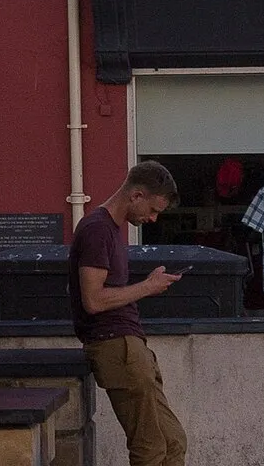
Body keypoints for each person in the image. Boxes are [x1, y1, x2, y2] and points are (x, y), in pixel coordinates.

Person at [69, 160, 188, 466]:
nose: (152, 218)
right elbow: (93, 300)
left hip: (128, 346)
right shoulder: (97, 229)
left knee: (172, 442)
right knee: (150, 448)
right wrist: (148, 286)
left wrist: (147, 285)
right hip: (115, 345)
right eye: (153, 209)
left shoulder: (108, 230)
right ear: (136, 195)